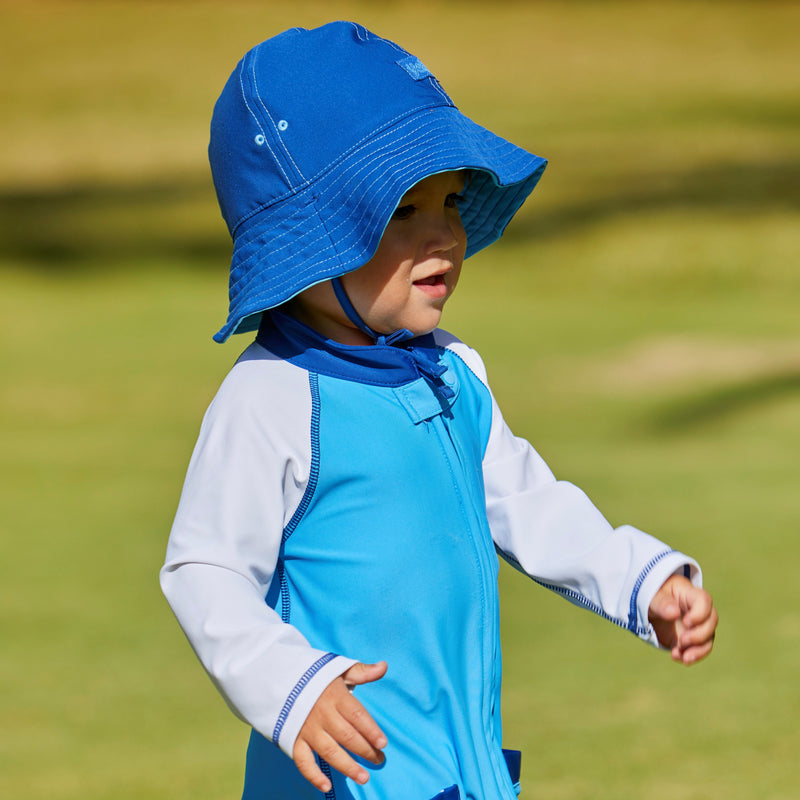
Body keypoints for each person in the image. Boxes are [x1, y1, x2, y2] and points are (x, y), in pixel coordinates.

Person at [160, 21, 718, 800]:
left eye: (450, 201)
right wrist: (292, 687)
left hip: (459, 766)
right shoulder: (272, 397)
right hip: (344, 777)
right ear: (308, 242)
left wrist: (641, 577)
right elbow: (205, 569)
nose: (445, 235)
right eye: (400, 211)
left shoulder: (455, 373)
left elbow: (528, 503)